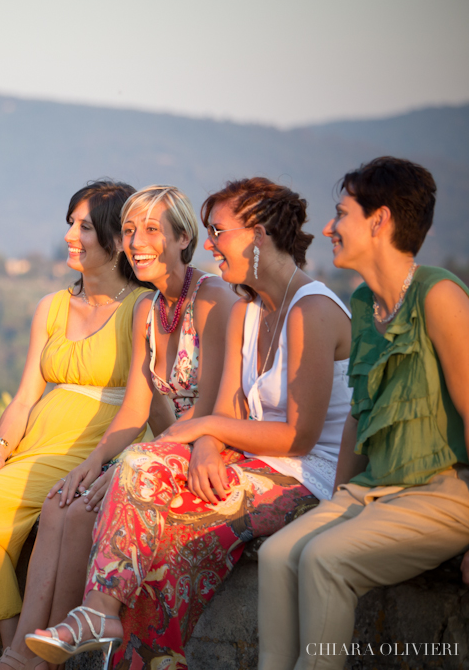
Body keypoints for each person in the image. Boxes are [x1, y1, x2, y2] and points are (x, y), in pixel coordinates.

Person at [27, 177, 353, 670]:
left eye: (218, 232)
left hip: (308, 475)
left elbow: (297, 437)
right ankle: (152, 656)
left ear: (259, 235)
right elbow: (221, 411)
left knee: (141, 463)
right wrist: (204, 445)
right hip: (250, 461)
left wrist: (193, 435)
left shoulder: (312, 310)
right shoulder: (247, 309)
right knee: (158, 546)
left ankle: (97, 612)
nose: (213, 245)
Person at [0, 181, 165, 670]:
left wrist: (115, 461)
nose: (70, 235)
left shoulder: (142, 307)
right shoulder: (52, 305)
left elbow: (144, 403)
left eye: (84, 226)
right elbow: (25, 395)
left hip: (91, 445)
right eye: (70, 223)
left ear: (113, 238)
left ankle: (16, 650)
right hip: (33, 444)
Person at [0, 185, 234, 670]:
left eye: (151, 230)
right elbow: (134, 410)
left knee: (84, 513)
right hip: (162, 451)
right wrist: (91, 463)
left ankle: (41, 660)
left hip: (208, 453)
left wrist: (126, 468)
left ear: (184, 238)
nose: (137, 241)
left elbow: (210, 415)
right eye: (128, 231)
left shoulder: (213, 300)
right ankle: (22, 653)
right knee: (62, 500)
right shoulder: (147, 310)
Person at [257, 157, 469, 670]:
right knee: (277, 555)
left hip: (440, 492)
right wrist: (334, 507)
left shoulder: (438, 295)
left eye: (341, 213)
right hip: (372, 490)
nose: (329, 227)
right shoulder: (362, 302)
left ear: (380, 220)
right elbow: (358, 413)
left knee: (325, 560)